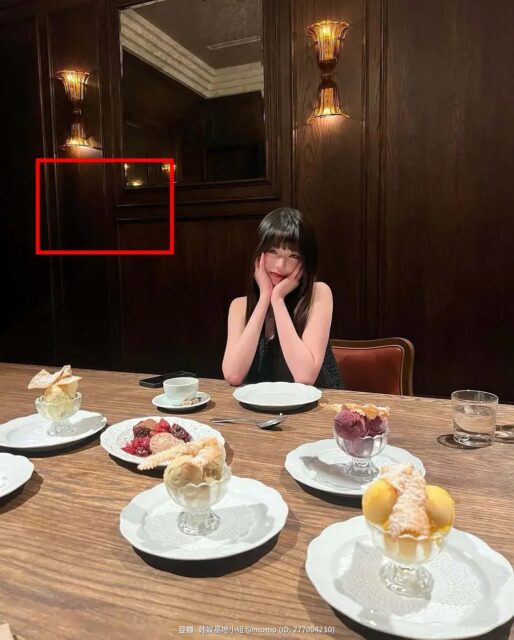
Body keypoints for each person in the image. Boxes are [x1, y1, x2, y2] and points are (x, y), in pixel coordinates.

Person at [222, 207, 343, 389]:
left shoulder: (318, 294)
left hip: (319, 403)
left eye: (293, 255)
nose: (280, 265)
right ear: (258, 254)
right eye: (273, 251)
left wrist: (277, 300)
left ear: (305, 261)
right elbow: (233, 375)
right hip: (261, 404)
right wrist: (265, 298)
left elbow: (305, 377)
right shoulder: (239, 306)